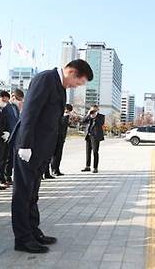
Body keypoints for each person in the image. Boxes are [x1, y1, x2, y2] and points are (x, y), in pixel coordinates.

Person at [11, 59, 93, 253]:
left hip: (41, 149)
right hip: (28, 148)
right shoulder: (45, 79)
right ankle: (22, 239)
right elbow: (30, 113)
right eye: (78, 82)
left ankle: (33, 230)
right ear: (71, 72)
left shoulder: (59, 85)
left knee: (32, 193)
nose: (76, 86)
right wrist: (24, 144)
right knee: (23, 194)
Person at [0, 88, 23, 187]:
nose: (18, 101)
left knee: (10, 158)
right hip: (6, 135)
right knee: (3, 159)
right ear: (12, 96)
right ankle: (1, 178)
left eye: (20, 99)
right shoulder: (4, 106)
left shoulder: (15, 107)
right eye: (17, 98)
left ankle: (8, 176)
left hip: (14, 136)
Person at [81, 105, 105, 173]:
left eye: (95, 110)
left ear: (98, 109)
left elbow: (101, 123)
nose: (93, 111)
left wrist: (95, 117)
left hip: (95, 136)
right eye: (92, 110)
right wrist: (88, 114)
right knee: (88, 152)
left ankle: (95, 167)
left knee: (95, 152)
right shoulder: (89, 115)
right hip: (88, 135)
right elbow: (83, 121)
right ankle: (87, 166)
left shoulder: (101, 116)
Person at [50, 104, 72, 176]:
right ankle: (53, 170)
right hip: (56, 137)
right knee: (55, 155)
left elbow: (69, 125)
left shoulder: (66, 117)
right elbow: (60, 124)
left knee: (59, 155)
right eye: (67, 110)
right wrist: (65, 116)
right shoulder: (59, 115)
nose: (67, 112)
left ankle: (57, 169)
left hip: (62, 138)